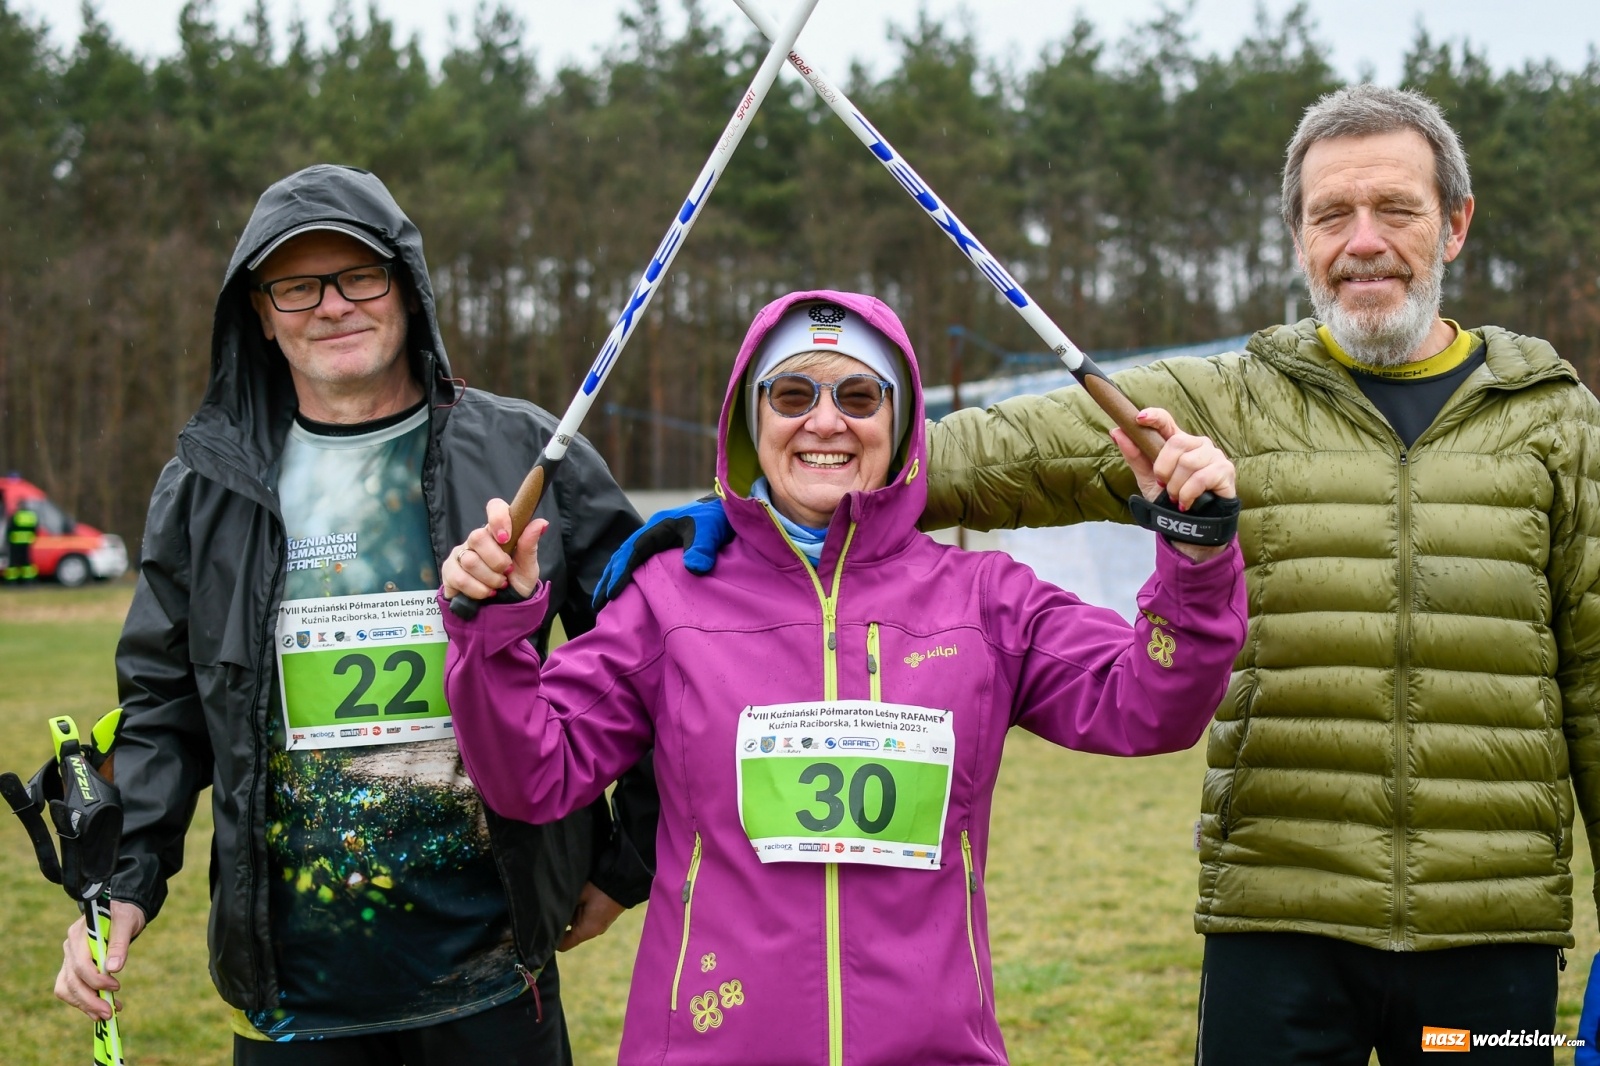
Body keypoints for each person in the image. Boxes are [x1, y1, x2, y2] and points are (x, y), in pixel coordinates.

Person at [604, 87, 1600, 1063]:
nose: (1363, 239)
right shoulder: (1233, 397)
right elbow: (1006, 449)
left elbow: (1596, 684)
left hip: (1489, 934)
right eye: (1331, 213)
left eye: (1396, 209)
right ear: (1297, 235)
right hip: (1277, 921)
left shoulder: (1554, 420)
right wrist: (782, 496)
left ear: (1456, 223)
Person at [438, 290, 1247, 1065]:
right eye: (792, 394)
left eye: (859, 396)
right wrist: (495, 628)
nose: (825, 420)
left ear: (899, 426)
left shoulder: (984, 599)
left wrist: (1198, 554)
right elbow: (531, 774)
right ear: (752, 423)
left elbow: (1150, 705)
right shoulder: (667, 599)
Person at [52, 164, 656, 1064]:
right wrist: (121, 887)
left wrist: (623, 865)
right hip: (294, 998)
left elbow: (654, 655)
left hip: (500, 979)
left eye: (358, 276)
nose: (331, 305)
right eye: (296, 286)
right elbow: (162, 710)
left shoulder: (527, 451)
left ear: (406, 289)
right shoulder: (205, 488)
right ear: (258, 311)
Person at [5, 501, 39, 583]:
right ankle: (28, 580)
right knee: (26, 562)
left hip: (15, 542)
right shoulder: (31, 516)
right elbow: (35, 529)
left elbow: (10, 529)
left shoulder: (16, 516)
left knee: (13, 562)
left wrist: (7, 540)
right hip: (27, 542)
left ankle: (12, 581)